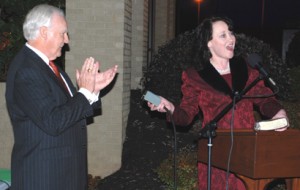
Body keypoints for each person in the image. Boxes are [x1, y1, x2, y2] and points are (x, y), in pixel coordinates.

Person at [147, 16, 289, 190]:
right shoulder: (194, 76)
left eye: (231, 33)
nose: (231, 38)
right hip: (214, 150)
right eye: (223, 35)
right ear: (209, 43)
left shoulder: (246, 68)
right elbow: (185, 116)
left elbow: (265, 98)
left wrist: (279, 113)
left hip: (246, 149)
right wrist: (169, 107)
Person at [5, 4, 118, 190]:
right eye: (63, 33)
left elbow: (72, 110)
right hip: (44, 178)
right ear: (43, 32)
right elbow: (53, 121)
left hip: (63, 176)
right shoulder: (27, 70)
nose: (66, 40)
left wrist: (92, 91)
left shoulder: (50, 67)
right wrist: (85, 93)